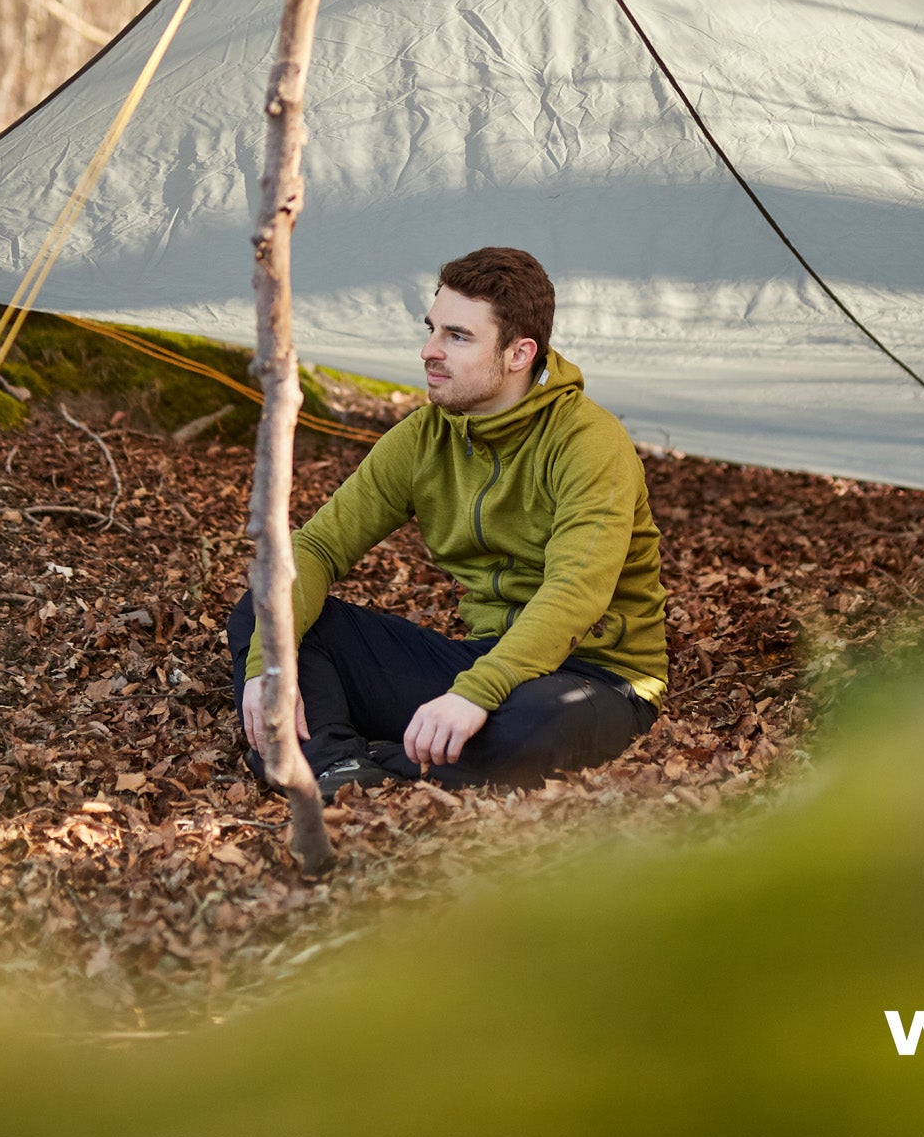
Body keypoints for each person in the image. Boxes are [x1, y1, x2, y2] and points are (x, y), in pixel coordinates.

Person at [229, 246, 668, 796]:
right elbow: (317, 547)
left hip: (595, 676)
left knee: (535, 721)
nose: (429, 351)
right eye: (432, 329)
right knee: (266, 609)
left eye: (457, 337)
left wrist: (473, 695)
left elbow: (576, 591)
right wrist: (269, 664)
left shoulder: (588, 441)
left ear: (519, 353)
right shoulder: (425, 436)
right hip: (484, 657)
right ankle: (338, 767)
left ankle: (374, 755)